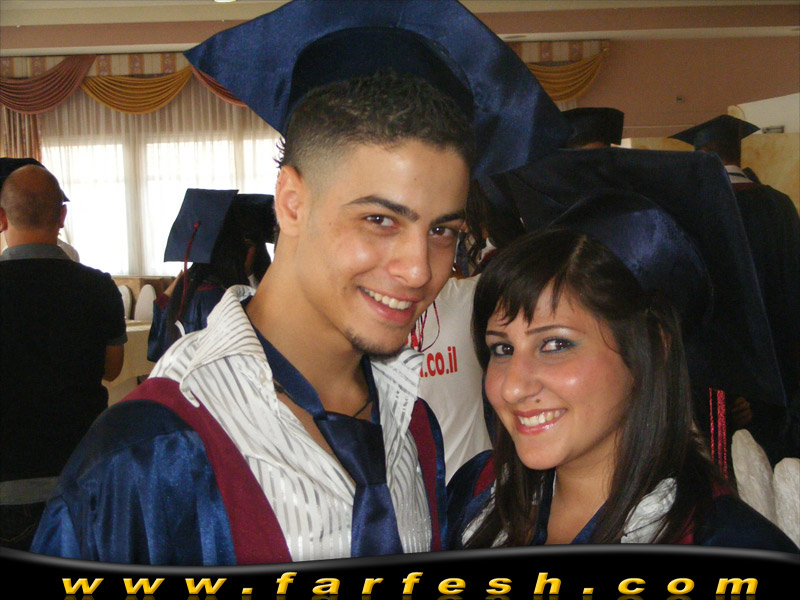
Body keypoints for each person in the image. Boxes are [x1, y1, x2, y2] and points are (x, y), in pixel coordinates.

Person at [31, 0, 570, 565]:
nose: (419, 270)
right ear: (291, 203)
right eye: (380, 219)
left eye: (442, 230)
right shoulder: (149, 454)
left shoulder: (412, 427)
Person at [447, 148, 796, 551]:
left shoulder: (726, 544)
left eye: (555, 344)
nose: (511, 388)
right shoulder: (476, 496)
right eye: (502, 348)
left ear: (654, 347)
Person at [0, 164, 126, 551]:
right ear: (62, 216)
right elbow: (113, 369)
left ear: (2, 218)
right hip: (80, 475)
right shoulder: (98, 287)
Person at [671, 114, 800, 464]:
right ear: (738, 153)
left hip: (725, 373)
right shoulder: (779, 205)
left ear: (700, 157)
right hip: (782, 361)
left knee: (732, 461)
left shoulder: (693, 211)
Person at [147, 189, 273, 362]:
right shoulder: (221, 298)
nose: (250, 254)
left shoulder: (188, 287)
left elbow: (157, 345)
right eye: (247, 246)